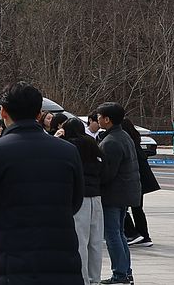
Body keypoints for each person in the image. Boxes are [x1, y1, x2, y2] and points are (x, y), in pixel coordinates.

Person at [0, 82, 83, 284]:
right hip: (61, 256)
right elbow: (75, 202)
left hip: (12, 258)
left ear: (3, 112)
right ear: (39, 114)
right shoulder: (67, 151)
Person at [96, 102, 141, 284]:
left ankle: (120, 274)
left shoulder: (111, 142)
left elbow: (107, 173)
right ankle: (125, 272)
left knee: (113, 235)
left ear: (107, 119)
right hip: (124, 193)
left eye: (99, 117)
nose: (97, 119)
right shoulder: (123, 136)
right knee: (119, 234)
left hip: (114, 194)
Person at [60, 117, 104, 285]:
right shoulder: (92, 144)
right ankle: (95, 279)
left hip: (79, 198)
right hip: (96, 196)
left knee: (80, 241)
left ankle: (83, 279)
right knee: (95, 242)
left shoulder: (68, 146)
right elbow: (104, 167)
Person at [121, 118, 158, 248]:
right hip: (140, 181)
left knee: (123, 208)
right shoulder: (135, 141)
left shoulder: (127, 143)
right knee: (137, 209)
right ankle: (143, 235)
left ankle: (133, 234)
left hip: (135, 181)